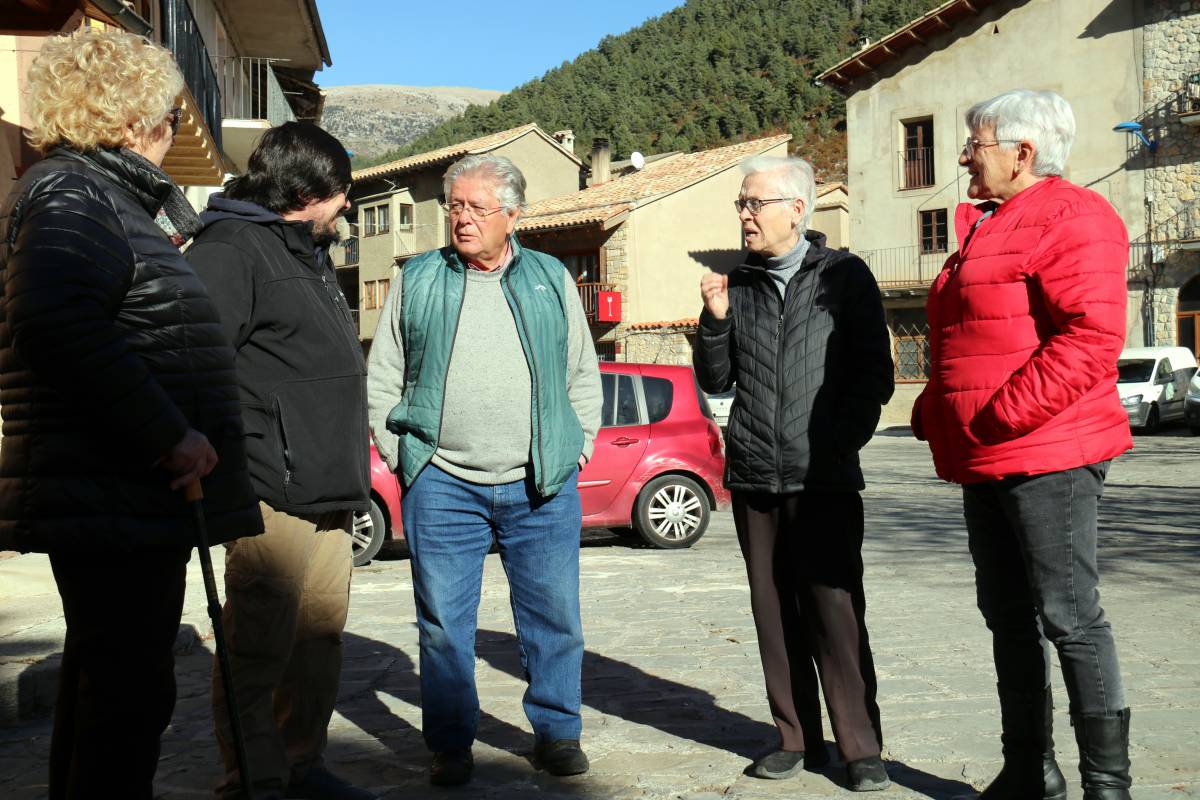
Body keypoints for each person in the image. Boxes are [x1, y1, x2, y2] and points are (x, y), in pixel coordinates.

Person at [0, 28, 262, 797]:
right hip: (115, 491)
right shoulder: (73, 195)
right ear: (126, 119)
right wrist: (169, 435)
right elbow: (56, 325)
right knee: (126, 698)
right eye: (169, 113)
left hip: (121, 496)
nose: (175, 127)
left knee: (109, 694)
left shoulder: (89, 195)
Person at [912, 89, 1134, 800]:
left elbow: (1091, 340)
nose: (962, 157)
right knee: (1006, 615)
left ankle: (1109, 784)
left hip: (1049, 453)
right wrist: (937, 407)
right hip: (989, 452)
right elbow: (973, 338)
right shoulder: (995, 222)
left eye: (973, 144)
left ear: (1022, 152)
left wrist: (1000, 415)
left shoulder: (1075, 217)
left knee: (1069, 617)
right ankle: (1029, 771)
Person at [367, 154, 602, 786]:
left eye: (477, 208)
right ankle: (450, 744)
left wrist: (576, 446)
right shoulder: (418, 279)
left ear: (512, 215)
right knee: (444, 623)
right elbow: (384, 374)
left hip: (540, 482)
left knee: (554, 616)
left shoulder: (551, 278)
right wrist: (402, 459)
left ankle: (557, 732)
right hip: (441, 483)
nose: (462, 220)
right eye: (455, 207)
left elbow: (582, 371)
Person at [693, 155, 894, 792]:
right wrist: (715, 324)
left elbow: (874, 374)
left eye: (755, 203)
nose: (745, 214)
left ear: (797, 209)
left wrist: (840, 442)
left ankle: (860, 746)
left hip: (825, 476)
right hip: (755, 473)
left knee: (834, 610)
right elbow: (715, 380)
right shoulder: (738, 283)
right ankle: (793, 737)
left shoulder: (845, 276)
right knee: (773, 611)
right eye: (741, 204)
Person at [186, 123, 373, 800]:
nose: (346, 207)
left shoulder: (305, 249)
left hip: (325, 485)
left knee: (319, 639)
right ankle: (254, 779)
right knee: (260, 646)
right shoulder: (232, 248)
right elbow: (196, 358)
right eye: (342, 193)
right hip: (270, 485)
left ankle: (302, 764)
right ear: (305, 191)